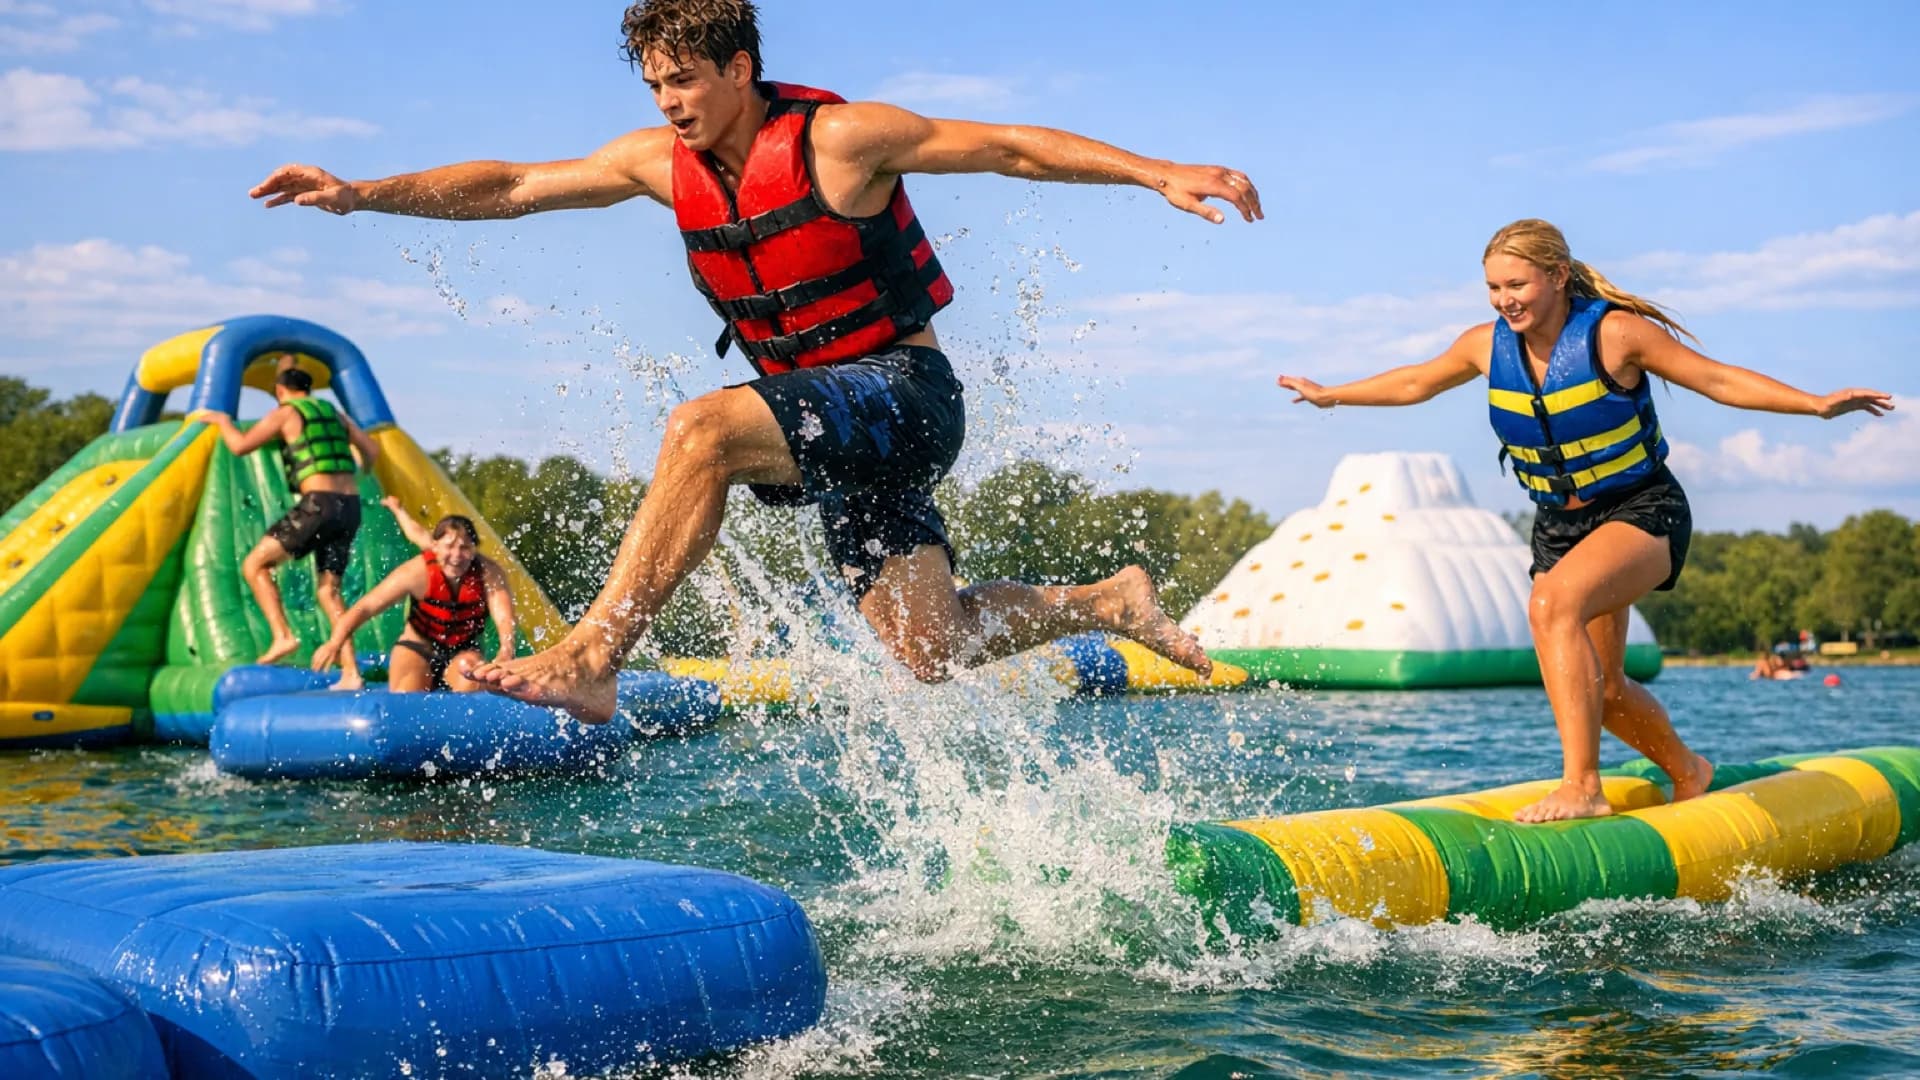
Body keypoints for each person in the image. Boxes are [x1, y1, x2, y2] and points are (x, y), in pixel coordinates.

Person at [249, 0, 1260, 722]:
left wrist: (1155, 170)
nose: (670, 103)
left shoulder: (841, 140)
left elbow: (1006, 148)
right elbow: (510, 184)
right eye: (655, 84)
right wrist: (360, 192)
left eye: (685, 79)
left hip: (906, 396)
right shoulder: (659, 162)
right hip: (832, 427)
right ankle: (1107, 601)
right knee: (930, 650)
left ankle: (597, 653)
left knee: (702, 428)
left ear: (739, 68)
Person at [1275, 218, 1892, 822]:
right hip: (1559, 526)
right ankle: (1688, 772)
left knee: (1551, 607)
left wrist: (1814, 405)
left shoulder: (1617, 335)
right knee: (1604, 693)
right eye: (1493, 288)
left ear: (1558, 275)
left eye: (1516, 285)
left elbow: (1717, 378)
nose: (1503, 300)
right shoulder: (1484, 346)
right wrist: (1333, 394)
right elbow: (1414, 383)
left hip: (1641, 510)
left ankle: (1582, 785)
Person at [201, 367, 381, 688]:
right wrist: (362, 473)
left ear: (281, 391)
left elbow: (240, 445)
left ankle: (283, 635)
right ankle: (352, 673)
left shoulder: (286, 413)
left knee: (255, 564)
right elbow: (371, 451)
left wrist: (222, 421)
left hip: (319, 505)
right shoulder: (335, 414)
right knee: (329, 591)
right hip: (349, 506)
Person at [310, 504, 516, 692]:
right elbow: (365, 608)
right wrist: (334, 642)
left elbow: (504, 618)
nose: (456, 555)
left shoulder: (488, 573)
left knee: (471, 685)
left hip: (463, 652)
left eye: (464, 547)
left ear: (474, 550)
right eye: (449, 546)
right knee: (407, 696)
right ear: (434, 546)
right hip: (417, 648)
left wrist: (506, 649)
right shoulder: (416, 572)